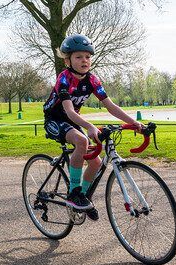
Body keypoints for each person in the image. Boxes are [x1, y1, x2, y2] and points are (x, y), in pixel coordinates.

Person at [43, 34, 144, 221]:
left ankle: (83, 197)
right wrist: (90, 126)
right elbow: (69, 111)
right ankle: (74, 194)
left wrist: (134, 123)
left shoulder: (92, 80)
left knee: (97, 163)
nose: (84, 60)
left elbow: (110, 106)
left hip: (73, 122)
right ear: (68, 60)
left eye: (87, 57)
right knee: (82, 140)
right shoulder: (63, 79)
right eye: (79, 57)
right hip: (55, 119)